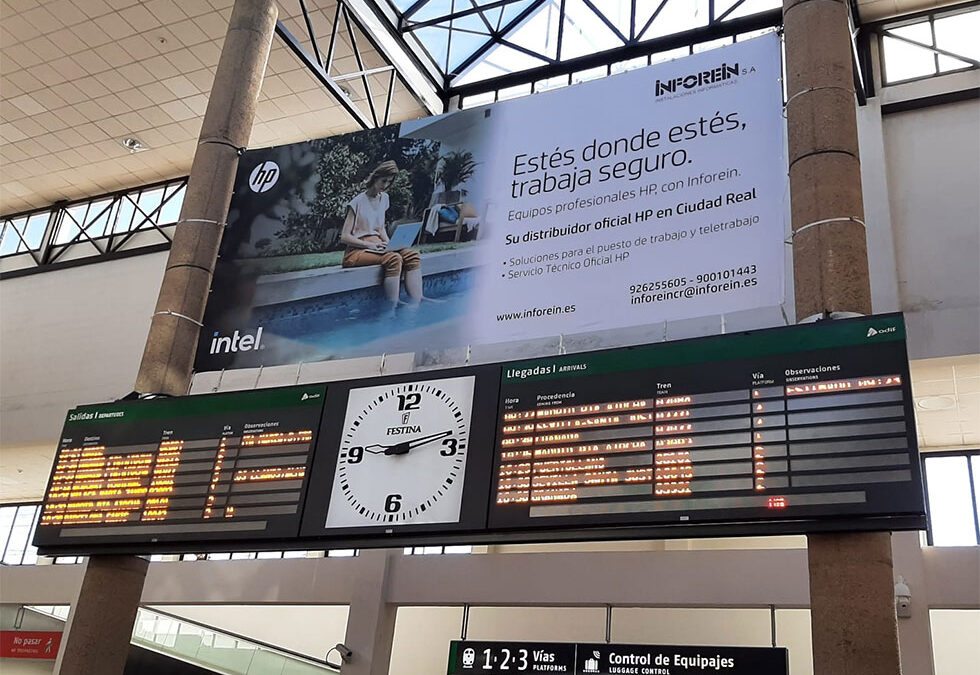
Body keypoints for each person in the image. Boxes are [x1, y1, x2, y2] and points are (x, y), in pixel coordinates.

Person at [339, 160, 424, 311]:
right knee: (394, 258)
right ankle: (393, 305)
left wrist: (392, 244)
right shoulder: (357, 202)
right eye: (383, 180)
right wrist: (370, 245)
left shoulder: (384, 198)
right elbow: (344, 236)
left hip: (378, 245)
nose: (385, 185)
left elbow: (380, 227)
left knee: (412, 255)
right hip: (357, 251)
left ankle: (418, 302)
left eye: (389, 182)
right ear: (375, 177)